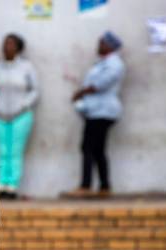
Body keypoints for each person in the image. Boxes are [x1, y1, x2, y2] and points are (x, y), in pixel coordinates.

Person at [64, 31, 125, 198]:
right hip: (96, 111)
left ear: (109, 46)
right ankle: (105, 186)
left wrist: (81, 92)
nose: (98, 46)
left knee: (88, 147)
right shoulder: (102, 62)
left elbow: (100, 84)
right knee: (98, 149)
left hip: (103, 111)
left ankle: (86, 185)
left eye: (102, 43)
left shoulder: (114, 64)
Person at [0, 33, 39, 200]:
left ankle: (12, 186)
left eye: (11, 44)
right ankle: (2, 185)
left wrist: (24, 106)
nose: (7, 47)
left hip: (21, 116)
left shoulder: (27, 67)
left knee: (15, 151)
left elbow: (35, 90)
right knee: (2, 150)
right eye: (5, 43)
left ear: (18, 47)